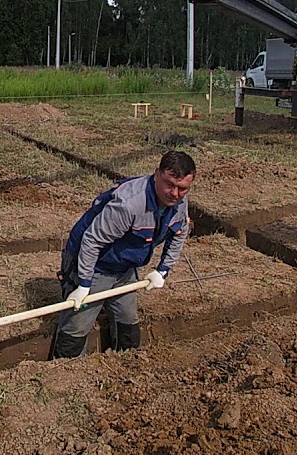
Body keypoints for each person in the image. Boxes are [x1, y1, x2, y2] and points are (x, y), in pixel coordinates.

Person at [50, 151, 196, 359]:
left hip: (125, 265)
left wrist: (163, 270)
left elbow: (179, 232)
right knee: (77, 325)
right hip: (96, 262)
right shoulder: (129, 204)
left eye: (182, 188)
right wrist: (83, 284)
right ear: (156, 174)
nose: (174, 193)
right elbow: (91, 241)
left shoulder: (179, 202)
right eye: (169, 184)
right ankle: (66, 372)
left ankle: (126, 364)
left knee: (127, 320)